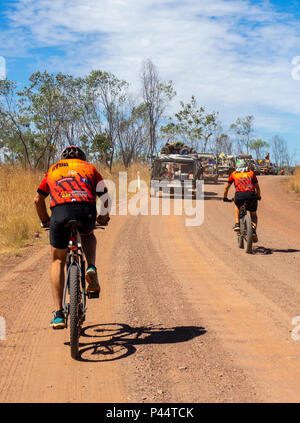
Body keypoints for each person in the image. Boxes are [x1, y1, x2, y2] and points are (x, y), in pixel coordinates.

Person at [34, 145, 110, 329]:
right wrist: (103, 218)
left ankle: (59, 313)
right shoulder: (90, 168)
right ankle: (91, 266)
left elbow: (38, 199)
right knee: (88, 234)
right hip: (85, 210)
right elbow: (105, 198)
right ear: (82, 158)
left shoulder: (53, 169)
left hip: (59, 213)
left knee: (58, 260)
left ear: (63, 158)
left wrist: (45, 220)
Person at [223, 159, 261, 242]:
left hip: (239, 195)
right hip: (251, 195)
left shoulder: (234, 174)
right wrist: (258, 196)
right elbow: (257, 187)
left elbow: (226, 187)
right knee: (253, 214)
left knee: (236, 205)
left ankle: (237, 224)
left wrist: (225, 197)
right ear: (247, 165)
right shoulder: (251, 173)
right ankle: (253, 231)